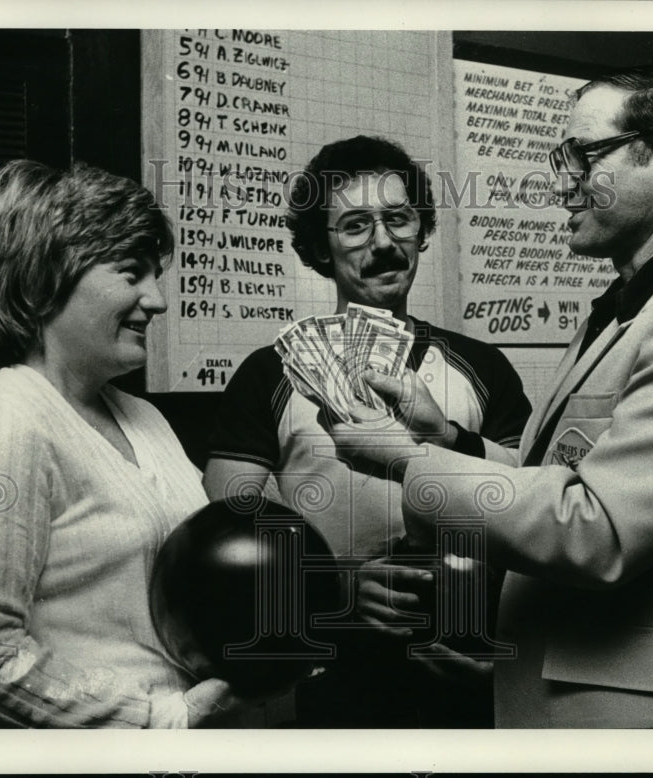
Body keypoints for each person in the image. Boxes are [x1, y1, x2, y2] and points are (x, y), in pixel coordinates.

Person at [328, 67, 653, 727]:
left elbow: (596, 528)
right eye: (562, 158)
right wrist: (453, 442)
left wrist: (408, 461)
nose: (562, 179)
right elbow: (568, 478)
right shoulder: (626, 309)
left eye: (584, 154)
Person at [0, 160, 263, 727]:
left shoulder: (144, 418)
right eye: (131, 273)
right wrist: (157, 720)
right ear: (45, 279)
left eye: (157, 275)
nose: (157, 300)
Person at [203, 135, 532, 726]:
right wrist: (339, 589)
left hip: (468, 667)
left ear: (421, 230)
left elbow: (533, 506)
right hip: (331, 675)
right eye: (355, 226)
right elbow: (231, 532)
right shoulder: (270, 374)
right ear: (320, 249)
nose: (383, 243)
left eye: (398, 219)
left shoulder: (484, 369)